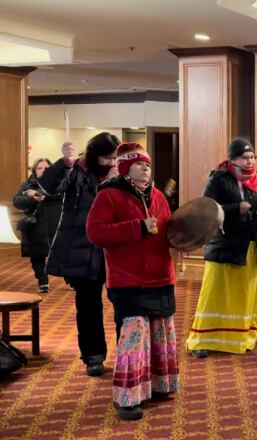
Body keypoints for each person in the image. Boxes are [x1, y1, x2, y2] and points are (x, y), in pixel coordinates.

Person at [86, 143, 178, 421]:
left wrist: (185, 237)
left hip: (161, 275)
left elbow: (169, 230)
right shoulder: (109, 196)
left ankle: (159, 385)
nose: (145, 168)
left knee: (161, 332)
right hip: (127, 278)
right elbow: (95, 232)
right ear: (126, 168)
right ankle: (127, 398)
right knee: (135, 336)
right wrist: (138, 227)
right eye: (139, 163)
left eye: (148, 164)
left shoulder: (159, 196)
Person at [186, 137, 257, 357]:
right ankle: (202, 340)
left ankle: (241, 337)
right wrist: (234, 209)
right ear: (233, 159)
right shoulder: (219, 178)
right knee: (215, 293)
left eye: (252, 157)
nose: (250, 161)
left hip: (254, 245)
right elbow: (206, 208)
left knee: (247, 294)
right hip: (225, 246)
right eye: (244, 157)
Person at [38, 132, 119, 377]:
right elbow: (49, 187)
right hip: (82, 248)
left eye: (116, 158)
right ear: (94, 156)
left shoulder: (121, 173)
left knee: (124, 304)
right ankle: (93, 357)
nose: (112, 163)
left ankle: (128, 354)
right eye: (107, 158)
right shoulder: (77, 170)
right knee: (88, 305)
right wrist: (65, 162)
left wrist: (119, 181)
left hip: (115, 247)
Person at [13, 158, 63, 293]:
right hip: (35, 227)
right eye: (40, 168)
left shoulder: (59, 184)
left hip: (57, 225)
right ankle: (42, 281)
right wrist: (31, 198)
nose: (43, 171)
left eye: (46, 168)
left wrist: (45, 197)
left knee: (62, 254)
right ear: (34, 170)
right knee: (37, 255)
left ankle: (70, 280)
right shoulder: (28, 185)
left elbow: (66, 196)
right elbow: (17, 201)